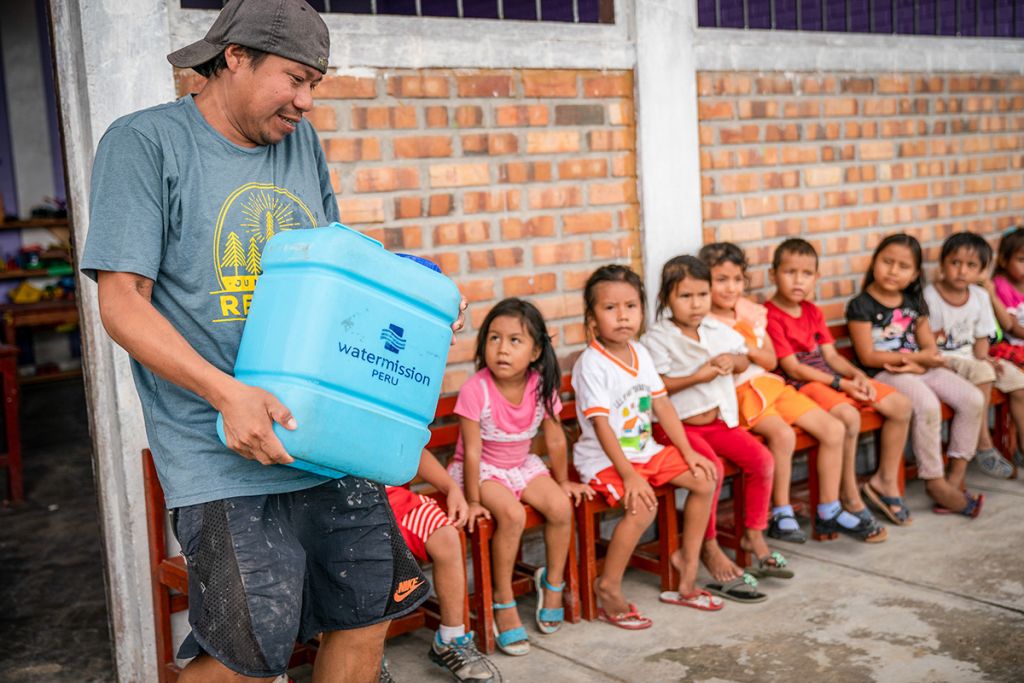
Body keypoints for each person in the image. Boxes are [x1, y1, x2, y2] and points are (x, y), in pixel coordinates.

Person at [80, 2, 464, 681]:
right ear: (233, 57)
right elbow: (121, 304)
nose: (307, 101)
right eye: (294, 78)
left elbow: (338, 275)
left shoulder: (298, 144)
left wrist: (417, 302)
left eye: (316, 82)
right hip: (221, 453)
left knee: (365, 614)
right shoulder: (145, 144)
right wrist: (228, 394)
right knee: (245, 655)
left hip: (330, 443)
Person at [572, 265, 719, 627]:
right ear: (591, 318)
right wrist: (629, 476)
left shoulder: (640, 353)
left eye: (631, 306)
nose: (622, 316)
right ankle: (607, 586)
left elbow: (662, 405)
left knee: (704, 478)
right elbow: (601, 424)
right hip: (604, 461)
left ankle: (686, 566)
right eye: (610, 308)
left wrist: (688, 452)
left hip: (646, 452)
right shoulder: (591, 364)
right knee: (642, 508)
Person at [449, 298, 590, 655]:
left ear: (536, 350)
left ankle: (552, 581)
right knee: (510, 514)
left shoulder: (540, 384)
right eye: (494, 338)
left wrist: (562, 480)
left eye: (515, 341)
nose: (502, 349)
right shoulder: (475, 389)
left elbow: (556, 437)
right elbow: (473, 451)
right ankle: (502, 597)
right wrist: (475, 500)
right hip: (482, 473)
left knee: (560, 507)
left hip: (522, 464)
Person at [640, 255, 780, 602]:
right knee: (711, 470)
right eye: (685, 296)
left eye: (702, 295)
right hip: (677, 429)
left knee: (762, 460)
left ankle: (755, 532)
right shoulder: (658, 338)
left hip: (718, 423)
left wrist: (736, 361)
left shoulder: (719, 330)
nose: (696, 304)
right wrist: (698, 376)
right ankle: (709, 544)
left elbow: (745, 358)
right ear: (666, 300)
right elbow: (657, 387)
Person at [697, 243, 854, 547]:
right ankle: (781, 512)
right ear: (705, 282)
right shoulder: (704, 323)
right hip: (743, 393)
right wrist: (746, 353)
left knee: (834, 429)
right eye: (721, 280)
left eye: (737, 280)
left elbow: (769, 360)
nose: (731, 288)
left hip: (770, 384)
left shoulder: (751, 312)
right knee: (783, 436)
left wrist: (746, 349)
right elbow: (724, 368)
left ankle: (829, 508)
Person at [765, 239, 907, 537]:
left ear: (816, 277)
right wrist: (841, 384)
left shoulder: (812, 311)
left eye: (806, 274)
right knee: (849, 416)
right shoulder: (770, 315)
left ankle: (883, 481)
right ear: (773, 274)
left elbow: (830, 356)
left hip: (830, 376)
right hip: (804, 384)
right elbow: (793, 367)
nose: (798, 280)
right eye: (790, 272)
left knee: (900, 406)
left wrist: (859, 377)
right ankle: (849, 497)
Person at [847, 234, 985, 518]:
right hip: (884, 375)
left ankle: (954, 478)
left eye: (903, 266)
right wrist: (914, 359)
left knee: (972, 398)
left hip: (918, 368)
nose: (893, 271)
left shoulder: (914, 301)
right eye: (887, 262)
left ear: (914, 274)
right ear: (874, 262)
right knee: (927, 405)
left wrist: (919, 363)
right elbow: (868, 356)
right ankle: (934, 480)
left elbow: (930, 349)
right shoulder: (861, 305)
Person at [383, 450, 497, 683]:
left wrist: (452, 488)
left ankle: (451, 640)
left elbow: (414, 447)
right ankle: (367, 658)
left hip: (391, 494)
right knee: (360, 553)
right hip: (339, 500)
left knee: (446, 536)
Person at [924, 232, 1024, 480]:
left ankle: (1022, 448)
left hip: (972, 358)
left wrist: (986, 358)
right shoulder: (929, 296)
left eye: (971, 266)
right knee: (983, 372)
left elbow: (981, 340)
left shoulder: (979, 297)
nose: (962, 271)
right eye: (955, 263)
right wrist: (981, 365)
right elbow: (926, 340)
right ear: (943, 264)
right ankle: (984, 446)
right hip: (943, 359)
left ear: (981, 271)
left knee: (1019, 383)